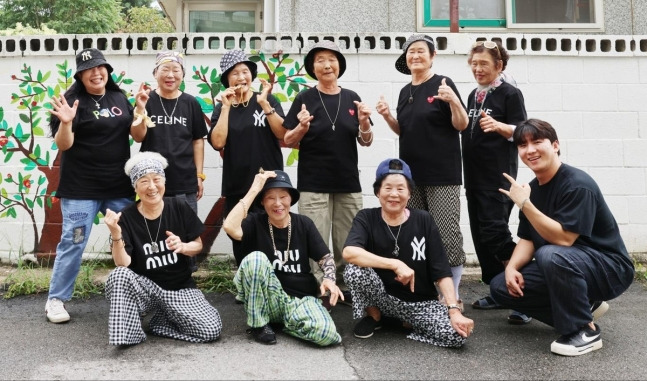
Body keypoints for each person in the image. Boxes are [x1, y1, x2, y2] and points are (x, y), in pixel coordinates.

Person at [490, 119, 634, 356]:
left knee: (550, 253)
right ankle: (582, 307)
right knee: (501, 288)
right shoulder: (532, 190)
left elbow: (565, 239)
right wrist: (511, 268)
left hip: (610, 269)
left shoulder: (577, 184)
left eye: (537, 142)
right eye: (523, 145)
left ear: (555, 145)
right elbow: (528, 238)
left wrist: (525, 204)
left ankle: (584, 330)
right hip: (568, 264)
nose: (530, 150)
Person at [376, 34, 469, 310]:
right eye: (410, 52)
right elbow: (404, 129)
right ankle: (427, 288)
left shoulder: (443, 84)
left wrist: (453, 101)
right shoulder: (406, 92)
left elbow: (461, 125)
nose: (415, 56)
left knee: (446, 232)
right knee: (416, 232)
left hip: (442, 174)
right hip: (411, 178)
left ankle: (452, 296)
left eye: (420, 51)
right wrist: (387, 116)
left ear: (432, 55)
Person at [343, 158, 474, 347]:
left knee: (456, 336)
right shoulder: (366, 217)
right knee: (354, 270)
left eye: (400, 188)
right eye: (387, 188)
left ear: (410, 193)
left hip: (419, 303)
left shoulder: (424, 220)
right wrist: (395, 263)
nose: (394, 194)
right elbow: (349, 252)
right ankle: (375, 316)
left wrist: (454, 311)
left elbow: (441, 270)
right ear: (378, 192)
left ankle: (403, 321)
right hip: (382, 298)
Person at [46, 48, 135, 324]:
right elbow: (64, 145)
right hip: (80, 189)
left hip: (119, 187)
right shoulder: (70, 101)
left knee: (133, 236)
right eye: (90, 69)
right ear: (80, 75)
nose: (97, 73)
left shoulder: (119, 98)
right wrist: (66, 122)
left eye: (101, 68)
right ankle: (56, 299)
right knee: (73, 242)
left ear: (107, 71)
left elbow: (136, 132)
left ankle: (138, 293)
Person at [103, 152, 221, 346]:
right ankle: (130, 335)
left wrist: (182, 246)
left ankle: (161, 322)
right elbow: (122, 263)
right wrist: (116, 234)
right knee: (119, 275)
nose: (151, 187)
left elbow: (198, 245)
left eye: (156, 179)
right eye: (144, 181)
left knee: (211, 330)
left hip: (179, 288)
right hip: (145, 289)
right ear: (135, 186)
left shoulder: (179, 206)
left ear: (163, 181)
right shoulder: (126, 217)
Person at [283, 40, 373, 293]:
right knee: (317, 240)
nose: (326, 64)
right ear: (313, 68)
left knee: (349, 240)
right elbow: (288, 139)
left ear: (339, 65)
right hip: (313, 183)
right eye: (320, 60)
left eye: (331, 59)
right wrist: (301, 127)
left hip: (347, 182)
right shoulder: (304, 98)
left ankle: (347, 286)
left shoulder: (352, 98)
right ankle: (322, 286)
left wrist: (365, 123)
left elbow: (365, 141)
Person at [222, 169, 343, 346]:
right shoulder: (255, 222)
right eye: (270, 197)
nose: (278, 203)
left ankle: (287, 322)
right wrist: (255, 188)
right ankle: (259, 324)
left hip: (299, 300)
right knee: (255, 259)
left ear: (291, 200)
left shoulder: (304, 223)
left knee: (327, 335)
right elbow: (230, 227)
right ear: (262, 202)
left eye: (283, 197)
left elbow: (325, 257)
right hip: (267, 297)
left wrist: (330, 279)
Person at [462, 40, 530, 324]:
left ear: (499, 66)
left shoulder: (510, 93)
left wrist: (499, 126)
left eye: (484, 64)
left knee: (496, 234)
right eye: (474, 64)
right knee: (481, 236)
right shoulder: (472, 96)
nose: (478, 69)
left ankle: (526, 297)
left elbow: (524, 131)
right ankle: (499, 291)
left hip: (497, 178)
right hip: (474, 178)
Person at [208, 49, 287, 265]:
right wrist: (225, 108)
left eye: (245, 71)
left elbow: (283, 134)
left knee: (272, 233)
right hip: (238, 184)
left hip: (270, 182)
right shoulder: (221, 107)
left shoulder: (267, 99)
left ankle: (275, 281)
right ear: (227, 79)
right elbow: (217, 142)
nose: (241, 77)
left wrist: (264, 105)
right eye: (234, 73)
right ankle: (245, 282)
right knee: (241, 235)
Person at [131, 51, 207, 215]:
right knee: (153, 231)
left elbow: (198, 141)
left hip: (184, 181)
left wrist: (199, 175)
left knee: (186, 233)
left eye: (176, 70)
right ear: (155, 73)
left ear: (182, 74)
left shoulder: (191, 103)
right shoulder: (146, 100)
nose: (170, 75)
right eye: (165, 69)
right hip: (151, 182)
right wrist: (140, 108)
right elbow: (138, 137)